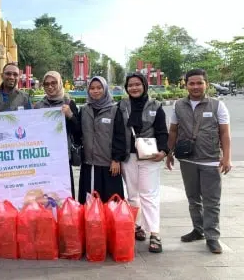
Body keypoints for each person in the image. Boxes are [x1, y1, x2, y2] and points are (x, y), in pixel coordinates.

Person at [166, 68, 232, 254]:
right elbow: (173, 131)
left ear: (206, 84)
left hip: (210, 159)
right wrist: (169, 152)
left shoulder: (217, 105)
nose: (195, 86)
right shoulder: (179, 105)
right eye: (191, 83)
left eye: (199, 83)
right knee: (193, 199)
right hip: (187, 160)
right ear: (185, 85)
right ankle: (198, 229)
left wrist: (226, 157)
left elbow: (225, 133)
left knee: (212, 201)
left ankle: (212, 237)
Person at [119, 72, 169, 253]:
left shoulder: (156, 106)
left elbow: (162, 131)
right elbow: (117, 131)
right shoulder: (122, 106)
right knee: (132, 195)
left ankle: (154, 233)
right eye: (130, 85)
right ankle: (136, 226)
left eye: (137, 84)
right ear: (126, 88)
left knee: (149, 194)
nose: (134, 88)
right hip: (128, 156)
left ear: (144, 86)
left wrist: (163, 151)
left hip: (150, 156)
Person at [78, 76, 126, 204]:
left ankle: (111, 224)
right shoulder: (84, 110)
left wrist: (116, 159)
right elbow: (78, 132)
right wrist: (71, 116)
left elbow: (119, 136)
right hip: (89, 163)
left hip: (109, 164)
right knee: (90, 202)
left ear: (105, 89)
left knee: (110, 202)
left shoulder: (114, 110)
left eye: (99, 88)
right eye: (92, 88)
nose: (96, 91)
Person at [34, 71, 81, 199]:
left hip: (63, 158)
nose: (50, 86)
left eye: (54, 83)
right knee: (45, 193)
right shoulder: (38, 106)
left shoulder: (69, 103)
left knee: (65, 194)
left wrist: (70, 115)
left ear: (60, 83)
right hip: (43, 157)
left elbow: (78, 130)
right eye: (46, 84)